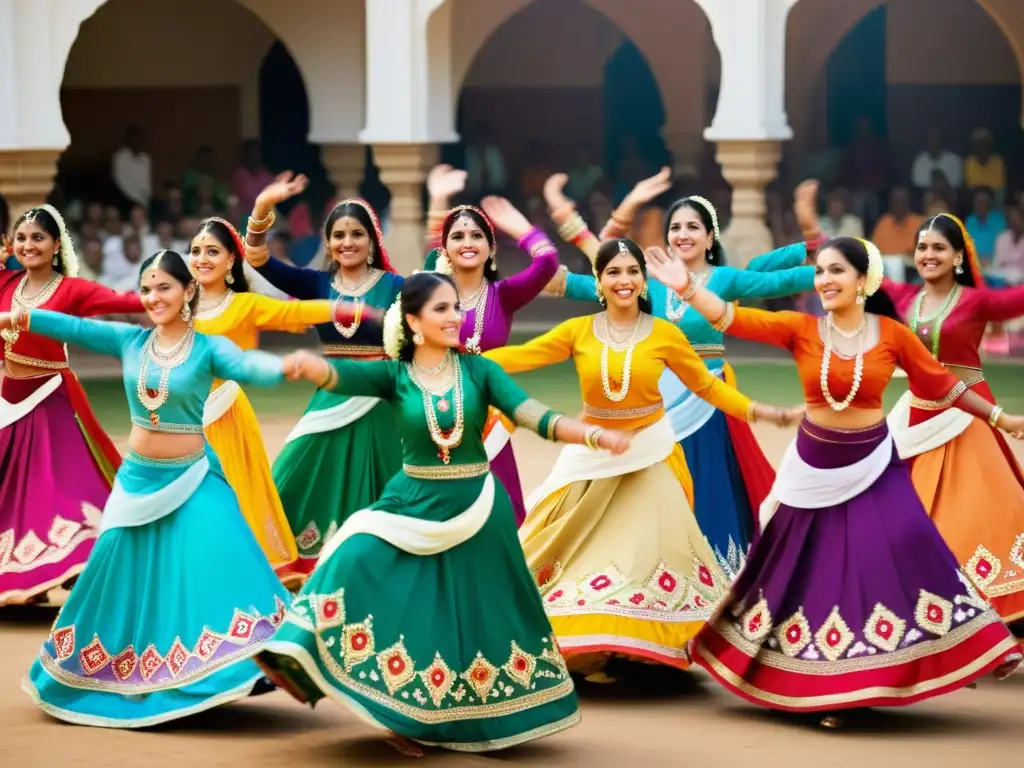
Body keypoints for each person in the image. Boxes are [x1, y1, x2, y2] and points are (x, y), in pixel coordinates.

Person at [644, 237, 1024, 728]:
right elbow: (733, 319)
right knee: (812, 572)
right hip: (812, 472)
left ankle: (961, 647)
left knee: (910, 543)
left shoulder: (892, 334)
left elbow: (943, 383)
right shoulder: (800, 329)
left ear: (862, 280)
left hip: (874, 466)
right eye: (820, 272)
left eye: (836, 271)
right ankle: (832, 692)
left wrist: (998, 416)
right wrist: (690, 288)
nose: (824, 280)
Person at [258, 272, 630, 756]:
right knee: (354, 551)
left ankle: (477, 719)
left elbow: (530, 413)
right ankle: (343, 679)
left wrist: (594, 436)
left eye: (457, 307)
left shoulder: (479, 371)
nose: (456, 317)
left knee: (482, 615)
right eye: (442, 309)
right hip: (411, 502)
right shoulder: (394, 374)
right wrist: (311, 366)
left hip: (477, 507)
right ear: (413, 321)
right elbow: (339, 375)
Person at [485, 238, 795, 682]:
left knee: (651, 554)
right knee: (550, 548)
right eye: (613, 272)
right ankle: (586, 643)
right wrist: (460, 360)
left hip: (650, 455)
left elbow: (708, 388)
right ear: (599, 282)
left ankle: (642, 649)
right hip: (591, 459)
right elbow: (519, 356)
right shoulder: (579, 332)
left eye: (632, 271)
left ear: (644, 280)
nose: (624, 280)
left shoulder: (665, 333)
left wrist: (756, 410)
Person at [10, 250, 294, 727]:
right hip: (137, 481)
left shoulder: (207, 348)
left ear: (188, 292)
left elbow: (248, 367)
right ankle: (99, 674)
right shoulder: (131, 340)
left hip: (193, 475)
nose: (153, 297)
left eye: (164, 286)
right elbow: (75, 329)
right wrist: (18, 315)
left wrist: (285, 369)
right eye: (146, 288)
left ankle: (233, 667)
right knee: (112, 574)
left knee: (221, 558)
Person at [542, 173, 820, 573]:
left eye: (693, 227)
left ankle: (711, 567)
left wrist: (829, 261)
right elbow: (595, 276)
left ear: (710, 239)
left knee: (704, 480)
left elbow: (782, 279)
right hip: (655, 396)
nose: (683, 234)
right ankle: (651, 565)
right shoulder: (648, 281)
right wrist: (547, 269)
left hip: (704, 399)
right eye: (675, 227)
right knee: (648, 480)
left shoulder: (723, 280)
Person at [244, 173, 404, 580]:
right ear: (327, 242)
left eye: (356, 234)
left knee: (382, 479)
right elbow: (256, 258)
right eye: (338, 235)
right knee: (295, 467)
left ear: (372, 240)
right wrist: (263, 207)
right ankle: (286, 555)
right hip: (331, 394)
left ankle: (380, 561)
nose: (347, 242)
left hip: (381, 399)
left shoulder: (397, 287)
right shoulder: (316, 283)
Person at [879, 213, 1024, 631]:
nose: (928, 254)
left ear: (958, 256)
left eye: (939, 247)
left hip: (968, 418)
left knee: (978, 518)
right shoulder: (905, 298)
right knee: (903, 514)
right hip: (918, 416)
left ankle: (978, 617)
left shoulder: (977, 301)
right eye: (922, 247)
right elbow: (858, 269)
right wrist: (813, 236)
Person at [190, 217, 352, 582]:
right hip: (185, 415)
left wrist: (345, 306)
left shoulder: (243, 305)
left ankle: (240, 566)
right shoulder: (181, 304)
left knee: (229, 487)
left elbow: (292, 313)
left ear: (231, 260)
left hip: (226, 412)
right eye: (196, 251)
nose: (202, 258)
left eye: (212, 251)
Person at [0, 206, 144, 608]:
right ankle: (28, 578)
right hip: (9, 401)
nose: (30, 245)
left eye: (38, 238)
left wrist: (175, 294)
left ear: (55, 244)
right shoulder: (7, 283)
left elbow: (127, 301)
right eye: (22, 238)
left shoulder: (71, 289)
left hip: (52, 400)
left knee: (57, 490)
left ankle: (73, 566)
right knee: (11, 494)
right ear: (12, 245)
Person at [422, 166, 560, 526]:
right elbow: (426, 259)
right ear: (445, 248)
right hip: (438, 413)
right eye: (458, 236)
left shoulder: (504, 295)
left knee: (500, 513)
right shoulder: (431, 293)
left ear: (490, 247)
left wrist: (522, 229)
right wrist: (438, 199)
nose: (467, 242)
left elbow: (547, 264)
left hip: (489, 421)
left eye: (476, 235)